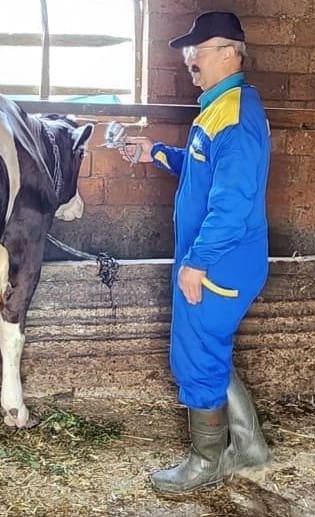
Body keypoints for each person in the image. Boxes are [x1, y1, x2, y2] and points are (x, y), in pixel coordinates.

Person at [119, 11, 272, 493]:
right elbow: (204, 170)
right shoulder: (221, 106)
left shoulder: (234, 115)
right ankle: (248, 448)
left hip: (219, 260)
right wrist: (157, 153)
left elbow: (232, 202)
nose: (190, 59)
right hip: (216, 254)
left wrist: (199, 260)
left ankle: (206, 463)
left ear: (229, 53)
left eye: (198, 50)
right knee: (210, 348)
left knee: (197, 355)